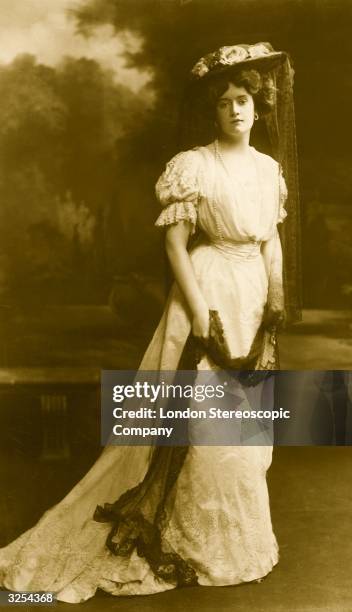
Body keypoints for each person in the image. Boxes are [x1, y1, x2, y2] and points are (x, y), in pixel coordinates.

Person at [0, 43, 299, 603]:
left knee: (245, 427)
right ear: (213, 112)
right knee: (203, 423)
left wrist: (276, 296)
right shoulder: (193, 166)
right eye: (226, 103)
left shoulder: (269, 171)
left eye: (244, 101)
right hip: (205, 289)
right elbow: (177, 246)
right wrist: (200, 308)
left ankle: (238, 544)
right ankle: (189, 540)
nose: (236, 111)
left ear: (259, 108)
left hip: (254, 295)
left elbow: (271, 240)